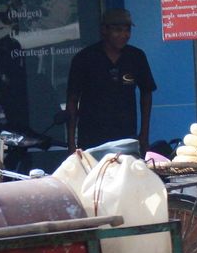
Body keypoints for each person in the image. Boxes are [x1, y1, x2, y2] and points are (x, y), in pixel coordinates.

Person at [65, 8, 156, 154]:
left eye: (127, 30)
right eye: (118, 30)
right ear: (104, 30)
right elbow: (72, 100)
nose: (124, 35)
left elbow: (147, 93)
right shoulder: (85, 58)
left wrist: (144, 134)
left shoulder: (136, 57)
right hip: (92, 138)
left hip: (126, 137)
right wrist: (71, 142)